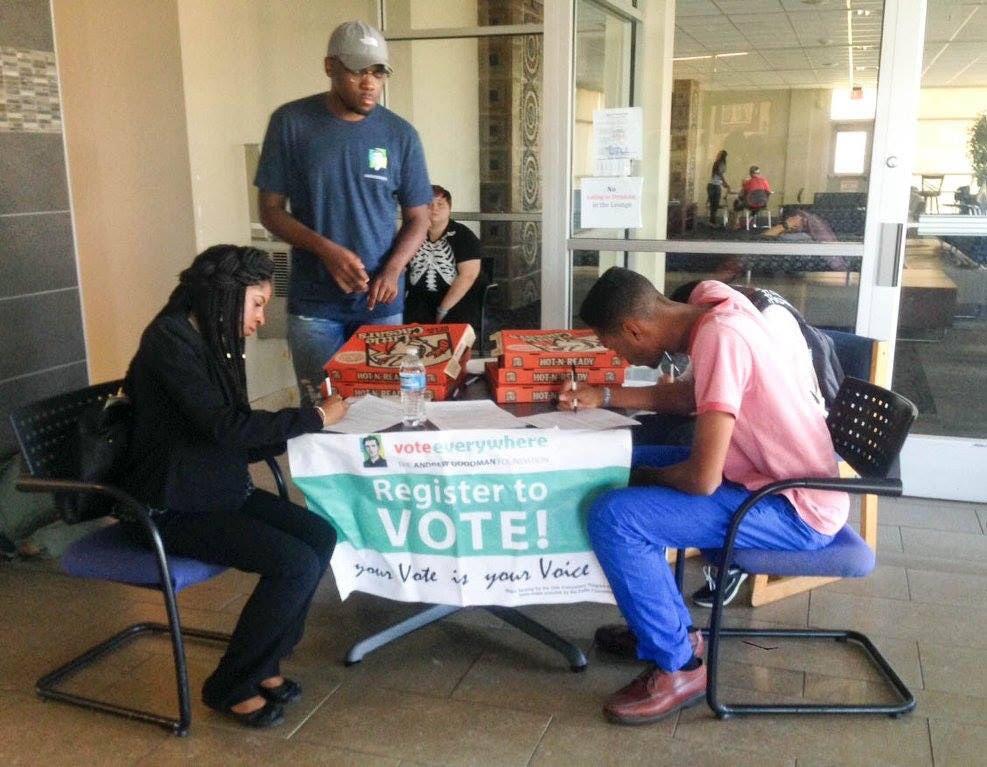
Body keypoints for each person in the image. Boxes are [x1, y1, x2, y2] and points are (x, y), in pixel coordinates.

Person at [558, 267, 847, 725]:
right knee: (624, 458)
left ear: (636, 328)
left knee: (616, 516)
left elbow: (701, 480)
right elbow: (688, 399)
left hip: (793, 508)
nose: (619, 356)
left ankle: (680, 667)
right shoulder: (713, 308)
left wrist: (644, 478)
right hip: (763, 477)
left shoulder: (722, 337)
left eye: (617, 347)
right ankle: (670, 634)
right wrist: (607, 395)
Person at [121, 245, 349, 729]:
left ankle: (263, 661)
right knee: (292, 563)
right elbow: (224, 427)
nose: (261, 319)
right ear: (224, 297)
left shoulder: (209, 337)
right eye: (258, 304)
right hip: (171, 505)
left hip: (214, 489)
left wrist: (295, 429)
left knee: (320, 537)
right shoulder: (169, 341)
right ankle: (230, 684)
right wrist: (311, 419)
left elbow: (230, 429)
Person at [255, 20, 433, 406]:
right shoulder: (291, 123)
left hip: (381, 305)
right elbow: (269, 211)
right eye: (358, 71)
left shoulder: (400, 135)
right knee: (322, 412)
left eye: (378, 72)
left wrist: (393, 269)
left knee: (384, 410)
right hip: (315, 304)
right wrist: (327, 251)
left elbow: (419, 216)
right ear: (330, 67)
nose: (370, 83)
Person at [404, 185, 486, 327]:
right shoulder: (411, 234)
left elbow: (468, 275)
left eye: (440, 204)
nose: (434, 208)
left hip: (458, 299)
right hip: (419, 300)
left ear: (450, 209)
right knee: (408, 336)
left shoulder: (464, 235)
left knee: (453, 335)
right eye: (429, 205)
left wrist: (443, 309)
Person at [706, 150, 730, 225]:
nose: (717, 155)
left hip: (711, 185)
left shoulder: (716, 163)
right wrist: (724, 182)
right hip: (715, 186)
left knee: (713, 205)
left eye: (719, 154)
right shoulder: (721, 163)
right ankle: (712, 222)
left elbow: (717, 175)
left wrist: (723, 183)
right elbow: (720, 174)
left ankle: (712, 222)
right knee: (714, 205)